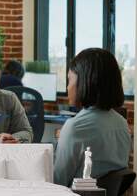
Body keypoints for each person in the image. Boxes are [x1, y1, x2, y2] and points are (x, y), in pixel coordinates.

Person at [54, 48, 131, 187]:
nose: (67, 87)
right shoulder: (122, 123)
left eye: (69, 79)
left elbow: (57, 182)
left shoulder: (74, 127)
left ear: (84, 82)